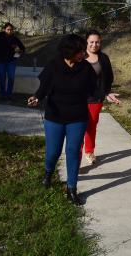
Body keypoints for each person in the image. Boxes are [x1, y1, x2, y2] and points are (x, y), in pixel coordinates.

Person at [27, 34, 97, 205]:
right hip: (55, 116)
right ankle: (48, 172)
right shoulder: (54, 65)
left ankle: (71, 188)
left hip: (78, 117)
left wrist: (106, 94)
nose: (84, 54)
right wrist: (36, 97)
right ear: (69, 52)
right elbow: (44, 87)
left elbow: (95, 89)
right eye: (80, 51)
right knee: (53, 152)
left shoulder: (86, 68)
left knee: (73, 151)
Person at [84, 30, 120, 165]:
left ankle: (89, 151)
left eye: (97, 42)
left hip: (95, 99)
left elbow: (109, 77)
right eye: (91, 42)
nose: (94, 45)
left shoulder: (104, 58)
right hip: (78, 99)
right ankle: (76, 153)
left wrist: (107, 92)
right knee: (77, 127)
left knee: (91, 126)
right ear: (86, 42)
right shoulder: (79, 56)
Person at [0, 22, 26, 100]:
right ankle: (3, 94)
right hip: (1, 61)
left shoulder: (15, 38)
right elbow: (0, 46)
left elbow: (22, 48)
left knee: (11, 78)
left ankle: (9, 94)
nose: (10, 31)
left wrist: (18, 52)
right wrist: (12, 46)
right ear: (4, 29)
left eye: (11, 30)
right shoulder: (0, 37)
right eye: (8, 29)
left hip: (11, 61)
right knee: (2, 78)